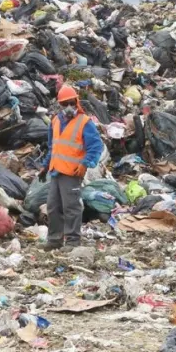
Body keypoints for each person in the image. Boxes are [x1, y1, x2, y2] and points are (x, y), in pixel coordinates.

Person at [39, 84, 103, 250]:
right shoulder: (55, 121)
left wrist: (85, 164)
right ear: (59, 104)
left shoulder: (84, 122)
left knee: (71, 207)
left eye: (71, 103)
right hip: (56, 170)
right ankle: (54, 240)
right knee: (53, 207)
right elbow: (53, 147)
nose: (69, 107)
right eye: (65, 103)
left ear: (76, 102)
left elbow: (96, 146)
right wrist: (45, 166)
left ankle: (73, 241)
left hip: (72, 172)